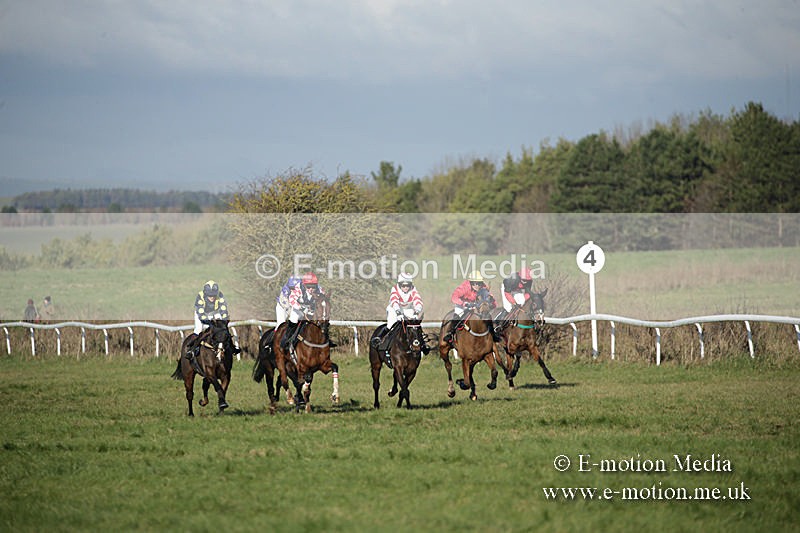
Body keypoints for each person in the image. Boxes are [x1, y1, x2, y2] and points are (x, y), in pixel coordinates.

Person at [371, 273, 429, 354]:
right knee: (390, 325)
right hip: (394, 309)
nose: (405, 287)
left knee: (415, 324)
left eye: (408, 285)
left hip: (408, 309)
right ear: (399, 284)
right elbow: (394, 301)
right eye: (403, 285)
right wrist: (398, 312)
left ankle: (423, 344)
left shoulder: (413, 290)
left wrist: (416, 312)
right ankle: (379, 338)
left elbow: (418, 301)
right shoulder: (394, 289)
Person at [441, 271, 501, 345]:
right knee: (457, 316)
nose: (478, 286)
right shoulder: (464, 288)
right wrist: (464, 304)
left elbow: (490, 297)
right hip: (462, 304)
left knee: (487, 316)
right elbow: (454, 297)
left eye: (480, 283)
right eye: (476, 283)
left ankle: (493, 334)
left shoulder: (483, 287)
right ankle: (450, 333)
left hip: (475, 305)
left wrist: (493, 304)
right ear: (471, 283)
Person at [185, 280, 238, 362]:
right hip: (202, 313)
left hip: (215, 312)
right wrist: (211, 323)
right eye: (210, 295)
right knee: (199, 330)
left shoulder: (220, 295)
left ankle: (233, 347)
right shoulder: (200, 296)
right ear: (206, 294)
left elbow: (223, 309)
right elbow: (201, 315)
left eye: (213, 295)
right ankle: (191, 349)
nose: (212, 297)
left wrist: (224, 322)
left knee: (223, 329)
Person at [281, 272, 325, 352]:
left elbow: (323, 299)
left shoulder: (319, 289)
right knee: (294, 318)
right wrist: (301, 308)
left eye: (313, 286)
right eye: (308, 287)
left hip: (310, 308)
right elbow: (292, 300)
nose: (311, 289)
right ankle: (287, 339)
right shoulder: (298, 288)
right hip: (298, 307)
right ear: (304, 285)